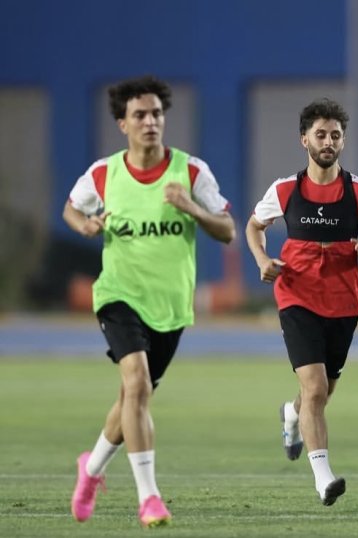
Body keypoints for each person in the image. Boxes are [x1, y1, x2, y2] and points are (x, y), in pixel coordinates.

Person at [64, 76, 236, 527]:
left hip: (170, 305)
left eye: (157, 113)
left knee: (131, 399)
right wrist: (84, 224)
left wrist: (191, 208)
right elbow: (72, 208)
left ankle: (91, 468)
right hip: (118, 294)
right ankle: (149, 498)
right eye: (139, 115)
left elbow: (228, 230)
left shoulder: (191, 172)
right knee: (137, 384)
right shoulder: (104, 174)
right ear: (122, 124)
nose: (150, 121)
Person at [246, 98, 358, 506]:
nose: (328, 141)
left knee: (320, 392)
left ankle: (292, 414)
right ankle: (323, 479)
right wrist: (262, 260)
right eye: (320, 135)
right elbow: (254, 226)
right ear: (304, 140)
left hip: (343, 301)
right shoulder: (285, 189)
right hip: (296, 294)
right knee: (314, 387)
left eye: (335, 135)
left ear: (343, 141)